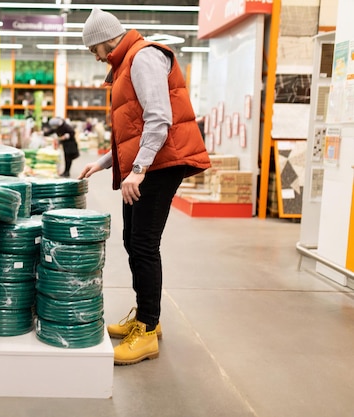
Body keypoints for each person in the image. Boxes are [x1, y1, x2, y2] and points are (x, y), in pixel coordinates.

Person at [79, 8, 211, 365]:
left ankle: (148, 330)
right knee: (132, 241)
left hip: (159, 164)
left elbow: (159, 118)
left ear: (105, 39)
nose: (95, 56)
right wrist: (104, 162)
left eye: (94, 48)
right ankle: (145, 317)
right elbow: (133, 130)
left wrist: (137, 169)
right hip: (148, 164)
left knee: (144, 245)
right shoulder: (126, 63)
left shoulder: (143, 58)